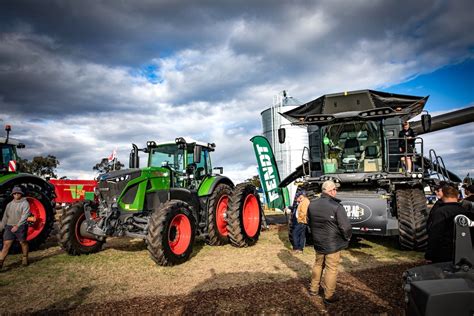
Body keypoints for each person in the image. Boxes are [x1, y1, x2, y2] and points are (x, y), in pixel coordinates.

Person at [307, 180, 352, 304]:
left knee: (318, 264)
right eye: (335, 189)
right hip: (333, 243)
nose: (336, 192)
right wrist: (347, 238)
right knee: (331, 268)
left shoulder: (312, 204)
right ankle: (329, 295)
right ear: (331, 190)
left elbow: (309, 223)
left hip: (318, 241)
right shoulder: (336, 206)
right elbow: (346, 227)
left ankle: (313, 289)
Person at [425, 185, 466, 263]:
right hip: (464, 251)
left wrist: (429, 255)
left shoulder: (440, 212)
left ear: (443, 195)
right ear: (457, 195)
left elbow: (435, 235)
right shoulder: (465, 211)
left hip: (443, 254)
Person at [0, 186, 31, 269]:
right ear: (12, 194)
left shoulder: (25, 203)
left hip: (21, 226)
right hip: (9, 226)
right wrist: (1, 227)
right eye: (15, 193)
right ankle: (1, 262)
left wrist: (17, 225)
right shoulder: (9, 204)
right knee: (6, 245)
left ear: (21, 194)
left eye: (18, 193)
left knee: (22, 242)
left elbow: (25, 216)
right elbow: (5, 217)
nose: (16, 194)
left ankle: (25, 257)